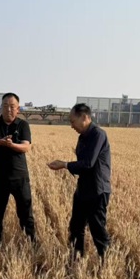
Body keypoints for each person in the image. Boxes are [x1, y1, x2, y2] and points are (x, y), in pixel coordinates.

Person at [48, 103, 111, 260]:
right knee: (76, 227)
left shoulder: (98, 135)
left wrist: (64, 165)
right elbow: (82, 164)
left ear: (84, 117)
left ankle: (107, 263)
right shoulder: (82, 137)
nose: (71, 126)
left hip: (97, 190)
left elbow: (88, 163)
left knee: (97, 230)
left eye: (72, 121)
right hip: (83, 189)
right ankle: (76, 259)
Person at [0, 92, 36, 249]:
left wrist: (12, 145)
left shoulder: (23, 125)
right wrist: (0, 142)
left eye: (12, 106)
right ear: (1, 107)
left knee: (26, 213)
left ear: (18, 109)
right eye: (5, 106)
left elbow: (26, 146)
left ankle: (31, 243)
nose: (8, 109)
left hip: (20, 178)